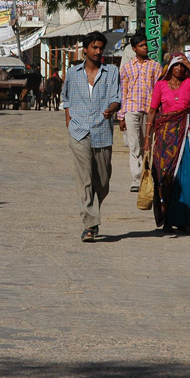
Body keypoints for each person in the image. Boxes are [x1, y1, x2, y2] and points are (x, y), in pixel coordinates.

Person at [142, 52, 190, 234]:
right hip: (165, 138)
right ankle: (167, 219)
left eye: (182, 66)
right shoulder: (160, 85)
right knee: (165, 177)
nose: (180, 69)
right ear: (170, 67)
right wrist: (147, 139)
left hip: (186, 136)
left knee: (187, 177)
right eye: (177, 65)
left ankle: (185, 220)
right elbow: (152, 111)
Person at [63, 31, 121, 242]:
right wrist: (69, 121)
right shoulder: (73, 73)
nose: (97, 51)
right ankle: (90, 225)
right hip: (78, 131)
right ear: (85, 49)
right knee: (85, 178)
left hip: (103, 130)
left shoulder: (111, 71)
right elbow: (66, 98)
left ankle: (93, 211)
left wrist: (112, 108)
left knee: (102, 181)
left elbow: (116, 97)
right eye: (94, 48)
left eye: (100, 48)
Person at [119, 32, 163, 193]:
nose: (145, 48)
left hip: (149, 110)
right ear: (134, 48)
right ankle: (137, 178)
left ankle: (147, 174)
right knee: (134, 145)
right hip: (131, 109)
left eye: (145, 45)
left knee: (148, 144)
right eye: (141, 46)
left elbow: (159, 90)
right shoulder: (127, 68)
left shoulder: (155, 66)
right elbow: (123, 92)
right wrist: (121, 116)